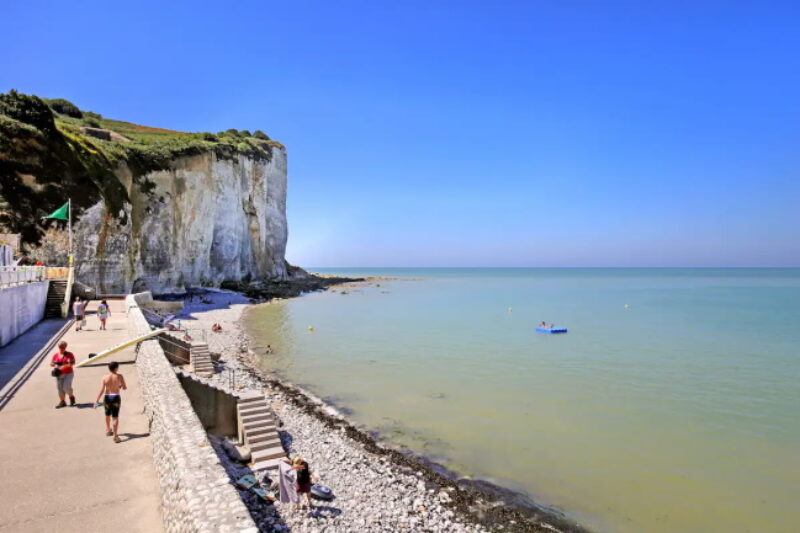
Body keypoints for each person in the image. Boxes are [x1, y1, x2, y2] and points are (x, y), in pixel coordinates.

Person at [94, 361, 127, 443]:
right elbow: (124, 387)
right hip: (115, 397)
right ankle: (115, 436)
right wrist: (120, 386)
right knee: (115, 416)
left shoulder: (105, 377)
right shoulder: (119, 376)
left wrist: (96, 401)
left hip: (107, 397)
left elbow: (102, 390)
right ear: (116, 368)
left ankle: (108, 430)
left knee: (107, 414)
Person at [50, 341, 76, 408]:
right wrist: (54, 364)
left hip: (68, 373)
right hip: (59, 374)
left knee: (66, 387)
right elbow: (51, 363)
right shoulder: (56, 355)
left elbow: (72, 363)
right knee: (60, 388)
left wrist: (64, 366)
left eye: (63, 347)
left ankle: (71, 396)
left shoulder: (69, 354)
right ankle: (62, 402)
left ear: (65, 347)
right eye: (60, 347)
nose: (61, 348)